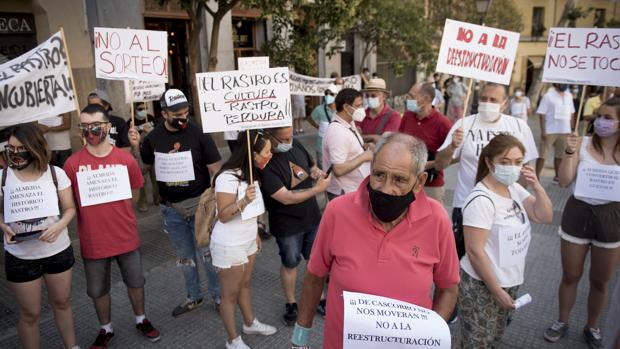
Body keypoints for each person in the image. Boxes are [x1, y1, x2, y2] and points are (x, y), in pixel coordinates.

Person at [291, 133, 460, 349]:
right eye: (379, 175)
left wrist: (431, 335)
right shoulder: (338, 211)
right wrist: (300, 337)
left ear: (419, 182)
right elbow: (314, 277)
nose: (385, 188)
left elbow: (448, 288)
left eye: (399, 179)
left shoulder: (437, 219)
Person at [64, 104, 160, 348]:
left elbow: (137, 186)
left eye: (95, 125)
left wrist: (136, 147)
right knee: (97, 290)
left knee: (136, 281)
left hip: (125, 236)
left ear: (107, 127)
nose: (90, 130)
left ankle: (141, 319)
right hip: (93, 240)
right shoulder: (72, 165)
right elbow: (68, 203)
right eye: (84, 126)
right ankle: (105, 328)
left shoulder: (124, 159)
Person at [459, 134, 552, 348]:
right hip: (483, 285)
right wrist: (496, 291)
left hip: (509, 280)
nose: (512, 168)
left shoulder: (514, 189)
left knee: (494, 338)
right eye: (504, 162)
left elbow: (544, 216)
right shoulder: (481, 199)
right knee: (477, 342)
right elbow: (475, 251)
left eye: (518, 162)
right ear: (489, 162)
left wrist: (537, 186)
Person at [137, 89, 222, 317]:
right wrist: (135, 148)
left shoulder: (199, 133)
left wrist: (214, 200)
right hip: (172, 211)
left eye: (186, 111)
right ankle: (193, 296)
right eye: (177, 113)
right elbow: (142, 170)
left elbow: (216, 169)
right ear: (164, 114)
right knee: (185, 257)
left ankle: (219, 296)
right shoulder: (153, 138)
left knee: (208, 255)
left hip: (200, 207)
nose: (183, 116)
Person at [544, 97, 620, 348]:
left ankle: (592, 326)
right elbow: (564, 180)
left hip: (611, 219)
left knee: (600, 280)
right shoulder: (582, 143)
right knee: (571, 275)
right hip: (578, 214)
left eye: (608, 118)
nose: (601, 121)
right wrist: (569, 151)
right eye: (599, 116)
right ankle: (562, 321)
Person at [434, 83, 539, 260]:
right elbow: (439, 164)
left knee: (499, 261)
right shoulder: (463, 125)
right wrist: (452, 146)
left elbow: (525, 169)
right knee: (463, 261)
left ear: (505, 103)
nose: (487, 103)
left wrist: (518, 200)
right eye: (483, 99)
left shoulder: (518, 127)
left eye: (493, 100)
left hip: (504, 210)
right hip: (466, 206)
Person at [0, 124, 78, 349]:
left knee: (62, 303)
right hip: (20, 256)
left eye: (20, 148)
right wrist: (3, 226)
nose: (14, 153)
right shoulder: (3, 177)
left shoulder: (56, 174)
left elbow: (70, 208)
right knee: (29, 314)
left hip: (57, 251)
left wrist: (60, 225)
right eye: (10, 148)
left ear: (35, 148)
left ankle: (72, 346)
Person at [211, 130, 277, 349]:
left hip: (248, 239)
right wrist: (243, 201)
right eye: (267, 151)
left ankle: (249, 323)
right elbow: (224, 215)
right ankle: (232, 340)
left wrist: (256, 232)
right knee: (229, 295)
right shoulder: (227, 177)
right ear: (253, 153)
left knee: (245, 284)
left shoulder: (251, 172)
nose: (270, 155)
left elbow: (253, 210)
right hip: (230, 244)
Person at [259, 126, 330, 326]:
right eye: (284, 138)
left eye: (290, 136)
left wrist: (316, 173)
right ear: (269, 137)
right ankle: (291, 302)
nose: (289, 141)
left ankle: (320, 296)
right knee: (290, 263)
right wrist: (317, 190)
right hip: (287, 224)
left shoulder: (295, 143)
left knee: (315, 261)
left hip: (311, 217)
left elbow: (310, 166)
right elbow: (286, 198)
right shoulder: (264, 162)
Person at [399, 82, 453, 203]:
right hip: (407, 180)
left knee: (431, 219)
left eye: (412, 96)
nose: (408, 99)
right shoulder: (407, 116)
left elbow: (454, 156)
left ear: (427, 99)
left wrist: (429, 164)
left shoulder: (442, 123)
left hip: (431, 185)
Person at [322, 88, 373, 200]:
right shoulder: (337, 132)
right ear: (346, 107)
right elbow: (338, 170)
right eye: (358, 106)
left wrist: (366, 146)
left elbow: (350, 147)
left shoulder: (349, 121)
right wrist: (364, 157)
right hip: (343, 192)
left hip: (354, 187)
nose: (361, 109)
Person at [535, 83, 575, 180]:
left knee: (560, 155)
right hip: (550, 130)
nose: (563, 84)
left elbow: (572, 113)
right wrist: (543, 131)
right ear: (555, 83)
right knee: (542, 155)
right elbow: (542, 114)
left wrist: (572, 129)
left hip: (565, 131)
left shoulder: (569, 96)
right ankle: (536, 176)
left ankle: (557, 176)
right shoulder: (548, 96)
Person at [128, 102, 159, 212]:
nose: (144, 110)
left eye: (145, 108)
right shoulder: (130, 122)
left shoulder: (150, 117)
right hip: (139, 153)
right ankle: (143, 202)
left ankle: (158, 199)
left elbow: (157, 133)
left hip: (153, 151)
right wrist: (142, 135)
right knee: (142, 180)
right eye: (141, 108)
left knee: (156, 177)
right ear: (134, 110)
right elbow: (133, 142)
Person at [309, 84, 340, 169]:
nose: (328, 96)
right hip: (321, 145)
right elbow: (310, 119)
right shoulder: (319, 109)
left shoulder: (341, 109)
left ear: (336, 96)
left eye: (331, 94)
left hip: (336, 144)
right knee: (322, 168)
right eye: (326, 94)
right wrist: (317, 126)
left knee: (335, 167)